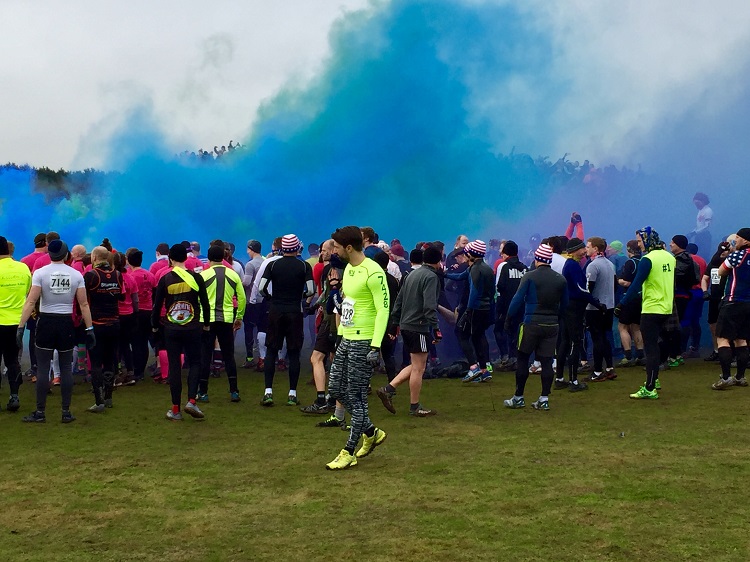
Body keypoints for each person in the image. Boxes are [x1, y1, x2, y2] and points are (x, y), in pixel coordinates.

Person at [325, 226, 389, 470]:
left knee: (356, 396)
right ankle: (371, 431)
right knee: (335, 388)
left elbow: (383, 309)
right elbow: (349, 304)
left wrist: (375, 345)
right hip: (348, 338)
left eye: (338, 247)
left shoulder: (373, 272)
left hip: (364, 341)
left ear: (349, 248)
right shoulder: (349, 269)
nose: (335, 251)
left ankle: (348, 450)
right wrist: (341, 335)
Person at [18, 239, 94, 423]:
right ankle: (66, 412)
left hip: (46, 321)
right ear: (67, 254)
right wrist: (90, 328)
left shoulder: (40, 273)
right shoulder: (76, 275)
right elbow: (83, 304)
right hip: (65, 322)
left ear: (49, 255)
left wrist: (21, 327)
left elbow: (30, 301)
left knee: (43, 367)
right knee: (66, 367)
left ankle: (40, 412)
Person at [376, 246, 442, 417]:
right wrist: (435, 328)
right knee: (419, 368)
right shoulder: (431, 277)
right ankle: (415, 406)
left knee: (414, 365)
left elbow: (399, 300)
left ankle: (388, 388)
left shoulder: (411, 274)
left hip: (406, 325)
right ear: (438, 260)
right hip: (418, 326)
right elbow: (429, 306)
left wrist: (394, 322)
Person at [503, 244, 568, 410]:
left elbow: (517, 300)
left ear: (537, 259)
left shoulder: (529, 277)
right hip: (552, 324)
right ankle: (544, 398)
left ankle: (518, 397)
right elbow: (565, 305)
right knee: (547, 362)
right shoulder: (560, 279)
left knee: (523, 358)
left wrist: (508, 319)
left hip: (531, 323)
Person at [152, 244, 210, 421]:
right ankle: (192, 400)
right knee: (195, 363)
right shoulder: (196, 278)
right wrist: (206, 324)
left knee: (174, 366)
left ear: (170, 259)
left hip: (172, 328)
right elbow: (205, 304)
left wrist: (155, 326)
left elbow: (157, 307)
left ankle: (175, 409)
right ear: (186, 258)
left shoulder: (166, 279)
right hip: (193, 327)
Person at [615, 227, 675, 400]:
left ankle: (650, 387)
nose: (639, 245)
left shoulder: (647, 259)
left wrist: (622, 304)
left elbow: (635, 285)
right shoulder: (669, 257)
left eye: (640, 241)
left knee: (650, 347)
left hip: (651, 307)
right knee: (658, 343)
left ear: (647, 240)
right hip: (666, 306)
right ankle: (654, 379)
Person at [258, 234, 314, 406]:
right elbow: (311, 290)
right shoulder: (303, 266)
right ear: (297, 248)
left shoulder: (273, 264)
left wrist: (270, 298)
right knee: (294, 352)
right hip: (294, 310)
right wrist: (300, 296)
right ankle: (292, 394)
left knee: (271, 350)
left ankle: (268, 392)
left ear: (282, 248)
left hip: (276, 310)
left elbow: (261, 288)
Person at [556, 237, 605, 391]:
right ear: (576, 250)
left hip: (567, 307)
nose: (585, 251)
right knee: (574, 343)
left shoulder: (570, 264)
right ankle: (573, 382)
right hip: (574, 309)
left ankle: (559, 378)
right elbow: (581, 289)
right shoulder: (573, 266)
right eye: (583, 248)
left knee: (564, 342)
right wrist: (597, 303)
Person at [198, 244, 246, 402]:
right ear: (223, 257)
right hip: (227, 319)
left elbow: (198, 299)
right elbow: (242, 298)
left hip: (208, 321)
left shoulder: (204, 275)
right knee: (229, 355)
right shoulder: (233, 275)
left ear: (209, 258)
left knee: (205, 355)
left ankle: (203, 392)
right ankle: (234, 391)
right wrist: (238, 317)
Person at [446, 240, 495, 382]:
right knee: (478, 337)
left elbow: (473, 292)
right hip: (486, 309)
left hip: (474, 309)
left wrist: (468, 311)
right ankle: (485, 370)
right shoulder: (486, 268)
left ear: (471, 254)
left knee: (461, 333)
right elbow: (460, 277)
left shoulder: (475, 269)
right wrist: (444, 274)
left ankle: (473, 367)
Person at [84, 246, 125, 412]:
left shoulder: (91, 275)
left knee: (95, 363)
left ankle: (99, 401)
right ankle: (108, 398)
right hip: (114, 323)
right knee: (110, 360)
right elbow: (119, 295)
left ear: (94, 257)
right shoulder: (118, 275)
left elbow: (84, 300)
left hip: (97, 325)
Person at [711, 227, 750, 389]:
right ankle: (740, 377)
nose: (736, 240)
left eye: (738, 238)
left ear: (746, 241)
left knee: (722, 338)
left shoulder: (737, 255)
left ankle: (726, 377)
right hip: (749, 304)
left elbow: (720, 272)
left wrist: (728, 256)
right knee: (741, 340)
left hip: (733, 301)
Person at [0, 236, 31, 412]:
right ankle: (14, 396)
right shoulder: (23, 268)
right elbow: (28, 292)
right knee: (12, 360)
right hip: (17, 323)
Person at [585, 237, 617, 382]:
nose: (586, 249)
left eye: (588, 246)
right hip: (609, 306)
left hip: (595, 308)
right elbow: (615, 285)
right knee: (605, 337)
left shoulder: (593, 265)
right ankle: (609, 368)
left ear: (596, 249)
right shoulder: (610, 264)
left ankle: (597, 371)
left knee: (597, 338)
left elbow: (589, 289)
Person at [493, 240, 527, 371]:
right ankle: (515, 357)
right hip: (522, 306)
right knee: (516, 331)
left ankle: (505, 357)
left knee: (499, 329)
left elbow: (499, 287)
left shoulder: (503, 266)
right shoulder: (524, 267)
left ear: (506, 253)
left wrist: (498, 306)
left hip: (505, 305)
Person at [702, 238, 734, 362]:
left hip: (727, 298)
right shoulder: (713, 262)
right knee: (713, 324)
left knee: (729, 326)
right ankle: (717, 351)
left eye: (725, 250)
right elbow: (705, 278)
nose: (723, 253)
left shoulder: (732, 262)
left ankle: (731, 352)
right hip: (714, 298)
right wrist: (705, 291)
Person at [127, 249, 156, 382]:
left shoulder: (131, 276)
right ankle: (141, 370)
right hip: (148, 311)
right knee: (143, 342)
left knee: (136, 342)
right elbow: (155, 292)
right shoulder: (150, 275)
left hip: (136, 312)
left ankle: (136, 370)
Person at [616, 240, 645, 367]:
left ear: (629, 250)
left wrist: (618, 280)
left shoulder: (630, 262)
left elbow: (627, 282)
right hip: (641, 297)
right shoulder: (644, 261)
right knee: (636, 327)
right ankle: (640, 355)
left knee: (622, 327)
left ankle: (627, 356)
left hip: (628, 298)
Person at [241, 239, 264, 368]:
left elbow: (246, 282)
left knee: (249, 329)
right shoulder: (265, 262)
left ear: (251, 249)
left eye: (248, 249)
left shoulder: (250, 265)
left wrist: (237, 282)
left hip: (251, 301)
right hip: (264, 301)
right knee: (262, 329)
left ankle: (250, 358)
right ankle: (263, 357)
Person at [689, 192, 713, 260]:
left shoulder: (708, 211)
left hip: (705, 236)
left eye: (697, 203)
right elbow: (699, 225)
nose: (696, 205)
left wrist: (695, 232)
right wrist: (692, 232)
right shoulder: (701, 211)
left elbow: (707, 226)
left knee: (703, 255)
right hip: (699, 236)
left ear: (703, 201)